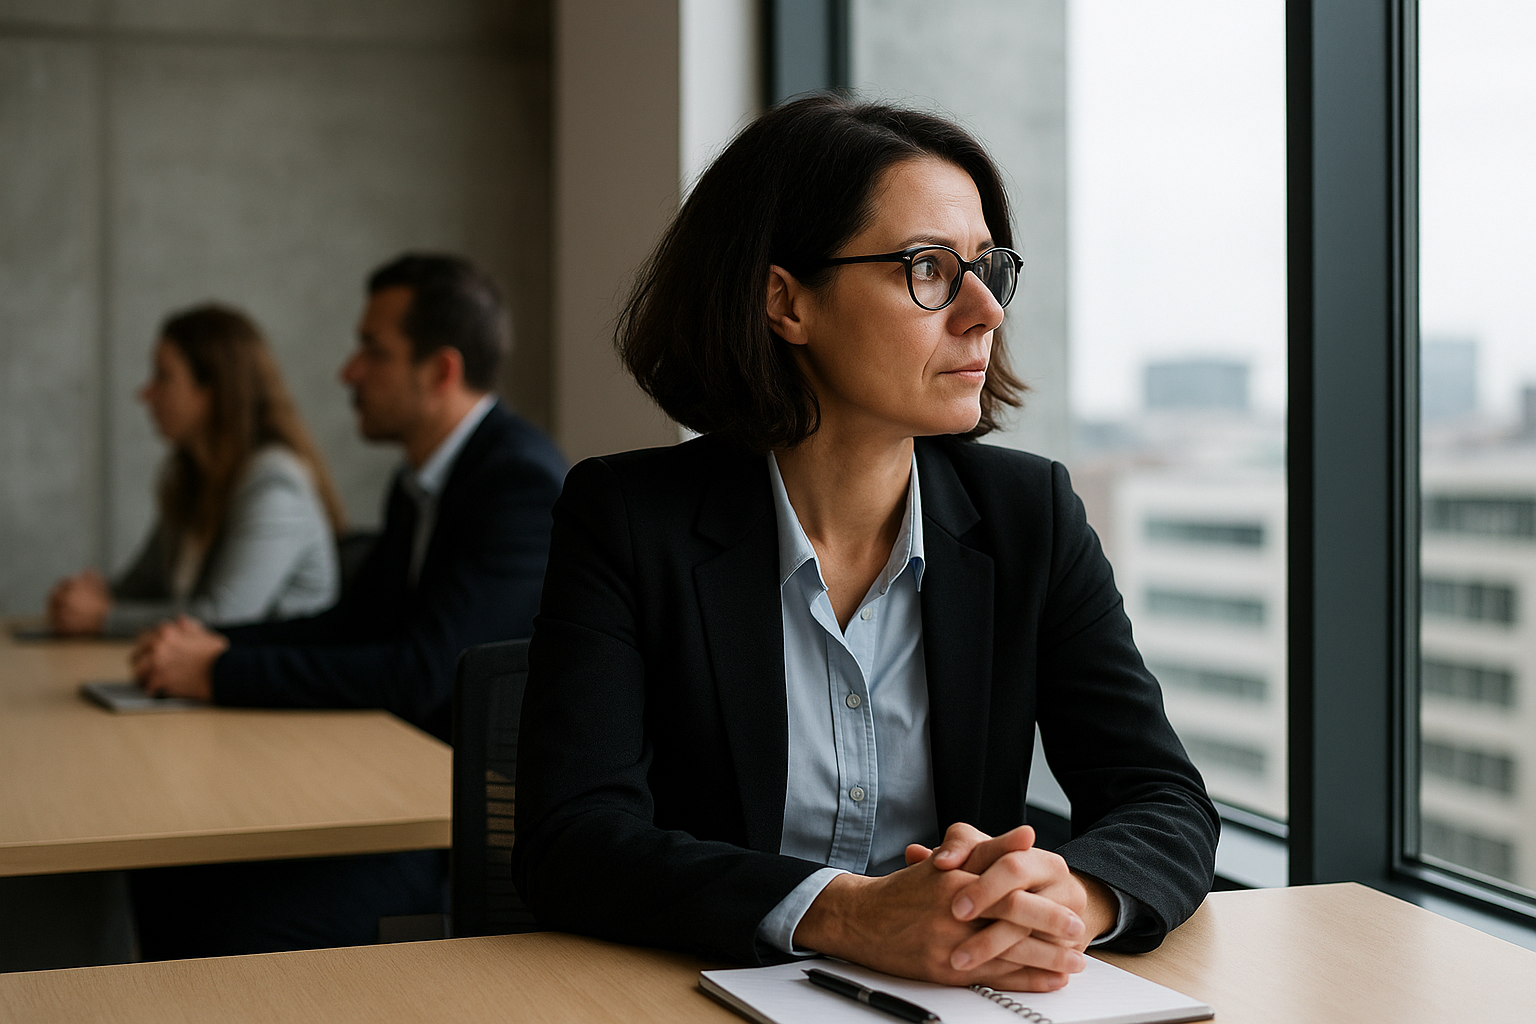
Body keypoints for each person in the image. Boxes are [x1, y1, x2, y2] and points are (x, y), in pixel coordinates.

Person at [512, 96, 1218, 992]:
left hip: (963, 996)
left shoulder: (1029, 514)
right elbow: (571, 841)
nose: (982, 313)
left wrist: (1063, 895)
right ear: (785, 302)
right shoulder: (625, 517)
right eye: (928, 268)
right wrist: (847, 914)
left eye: (986, 269)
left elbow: (1163, 800)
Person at [126, 252, 567, 958]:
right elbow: (351, 625)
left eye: (372, 351)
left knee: (205, 909)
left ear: (441, 372)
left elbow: (422, 673)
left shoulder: (515, 482)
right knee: (165, 870)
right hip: (381, 785)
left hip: (446, 832)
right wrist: (219, 648)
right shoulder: (418, 481)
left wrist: (218, 672)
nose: (347, 372)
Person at [47, 305, 343, 638]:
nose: (145, 394)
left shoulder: (274, 487)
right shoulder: (193, 480)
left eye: (163, 376)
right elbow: (142, 588)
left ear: (213, 389)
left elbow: (225, 616)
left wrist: (103, 617)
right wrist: (86, 599)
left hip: (265, 686)